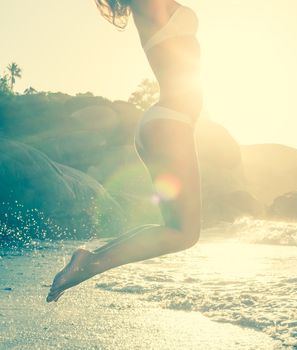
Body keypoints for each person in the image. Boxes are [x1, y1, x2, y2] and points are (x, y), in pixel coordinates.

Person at [47, 0, 203, 303]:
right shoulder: (149, 5)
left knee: (175, 229)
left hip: (167, 123)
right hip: (170, 123)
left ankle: (89, 258)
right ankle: (91, 262)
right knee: (184, 233)